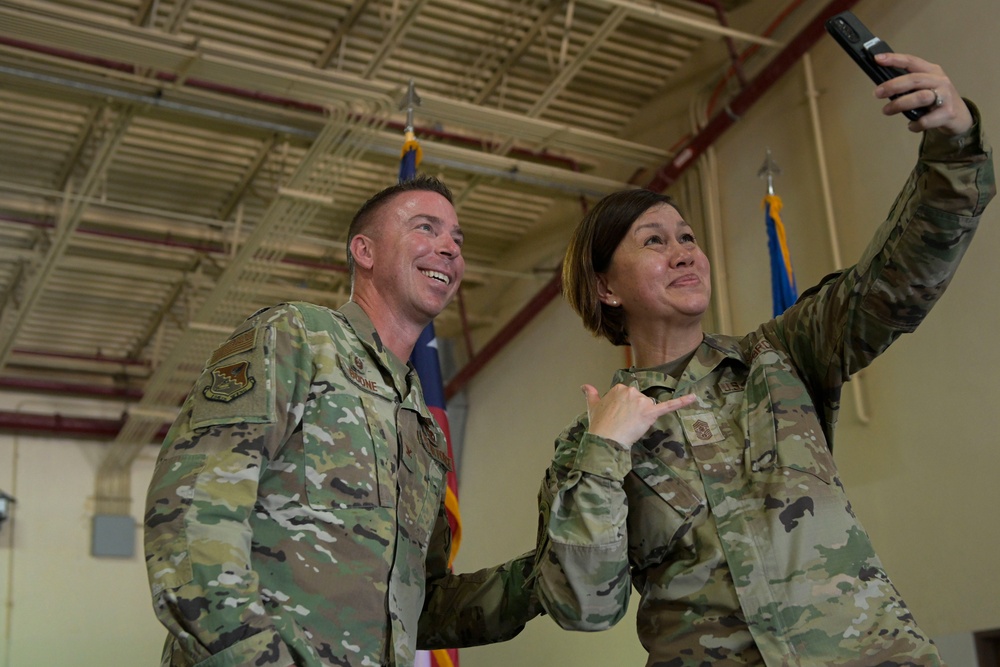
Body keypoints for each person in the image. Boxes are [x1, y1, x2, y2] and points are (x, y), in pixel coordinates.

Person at [533, 51, 995, 666]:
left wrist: (953, 143)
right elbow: (584, 605)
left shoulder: (779, 358)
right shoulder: (583, 448)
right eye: (653, 241)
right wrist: (605, 452)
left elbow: (897, 277)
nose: (684, 252)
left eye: (688, 237)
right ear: (606, 289)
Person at [144, 175, 541, 667]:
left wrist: (544, 577)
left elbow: (420, 606)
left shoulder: (423, 427)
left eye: (457, 239)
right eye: (427, 228)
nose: (449, 249)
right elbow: (189, 513)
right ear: (365, 251)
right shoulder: (298, 338)